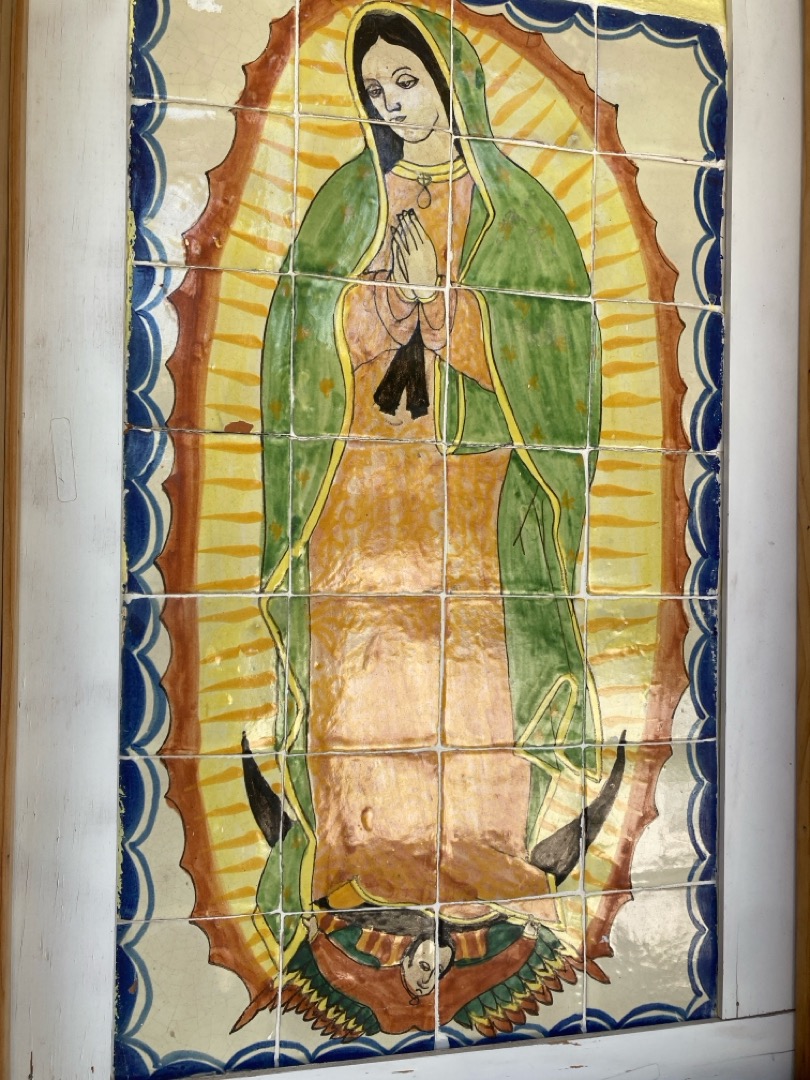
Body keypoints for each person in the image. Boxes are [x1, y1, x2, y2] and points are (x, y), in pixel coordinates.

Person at [249, 1, 607, 1027]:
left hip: (474, 492)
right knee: (364, 688)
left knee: (472, 689)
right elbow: (296, 340)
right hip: (359, 489)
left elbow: (562, 371)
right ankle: (357, 871)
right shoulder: (348, 201)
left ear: (452, 84)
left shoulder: (520, 214)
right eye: (376, 91)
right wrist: (376, 307)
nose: (393, 104)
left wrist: (449, 311)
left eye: (407, 81)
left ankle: (484, 878)